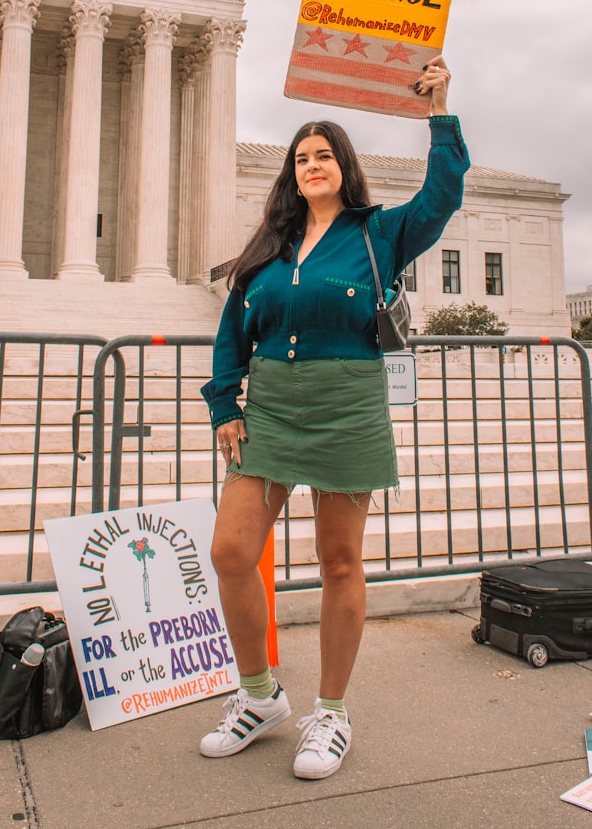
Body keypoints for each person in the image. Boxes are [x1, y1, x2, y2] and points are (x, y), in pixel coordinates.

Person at [199, 56, 470, 779]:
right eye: (300, 158)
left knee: (340, 561)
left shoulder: (380, 233)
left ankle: (332, 712)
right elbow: (232, 333)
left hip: (348, 405)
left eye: (323, 155)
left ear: (344, 168)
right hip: (274, 409)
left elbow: (442, 195)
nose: (311, 165)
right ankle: (259, 698)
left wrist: (439, 112)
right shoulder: (267, 251)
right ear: (290, 176)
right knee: (231, 550)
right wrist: (226, 402)